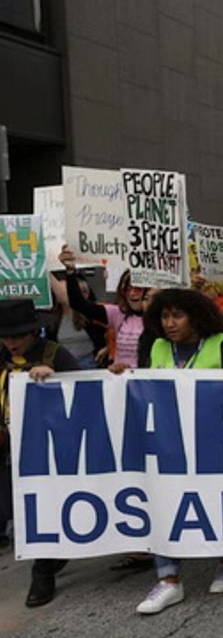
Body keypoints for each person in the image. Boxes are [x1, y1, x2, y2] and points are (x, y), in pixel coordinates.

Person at [133, 289, 223, 615]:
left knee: (219, 501)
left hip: (214, 442)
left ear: (195, 317)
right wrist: (120, 376)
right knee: (164, 503)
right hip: (169, 443)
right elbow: (140, 386)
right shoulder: (157, 347)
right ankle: (168, 579)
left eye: (177, 315)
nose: (169, 323)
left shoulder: (222, 344)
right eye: (164, 316)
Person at [0, 300, 82, 607]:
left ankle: (42, 571)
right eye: (6, 337)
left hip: (49, 443)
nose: (12, 343)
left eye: (18, 336)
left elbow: (85, 391)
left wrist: (56, 379)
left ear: (33, 331)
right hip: (8, 445)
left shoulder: (54, 354)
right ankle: (54, 554)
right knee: (14, 506)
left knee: (40, 505)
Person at [60, 248, 147, 368]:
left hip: (150, 377)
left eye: (137, 289)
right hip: (122, 377)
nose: (131, 294)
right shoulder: (118, 314)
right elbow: (79, 304)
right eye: (127, 289)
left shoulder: (159, 317)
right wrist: (70, 272)